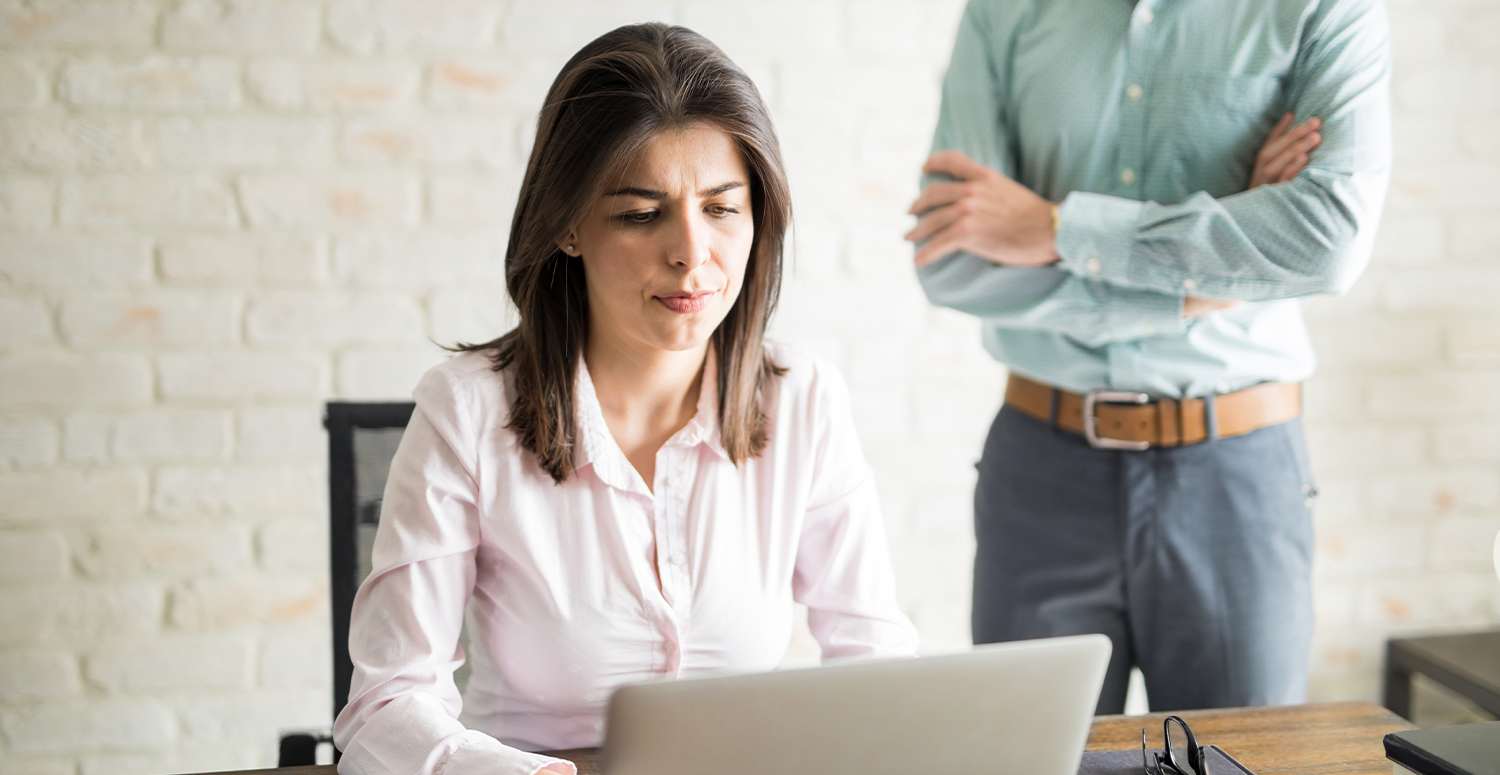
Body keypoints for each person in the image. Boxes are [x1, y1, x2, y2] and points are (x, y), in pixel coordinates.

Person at [332, 23, 918, 775]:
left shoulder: (802, 398)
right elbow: (386, 705)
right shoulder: (466, 410)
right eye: (643, 214)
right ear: (568, 226)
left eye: (721, 207)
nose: (692, 253)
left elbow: (879, 664)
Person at [908, 0, 1390, 713]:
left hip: (1235, 475)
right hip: (1042, 473)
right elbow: (952, 260)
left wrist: (1058, 229)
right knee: (1031, 757)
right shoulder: (1004, 10)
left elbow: (1325, 242)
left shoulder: (1325, 8)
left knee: (1239, 762)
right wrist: (1205, 283)